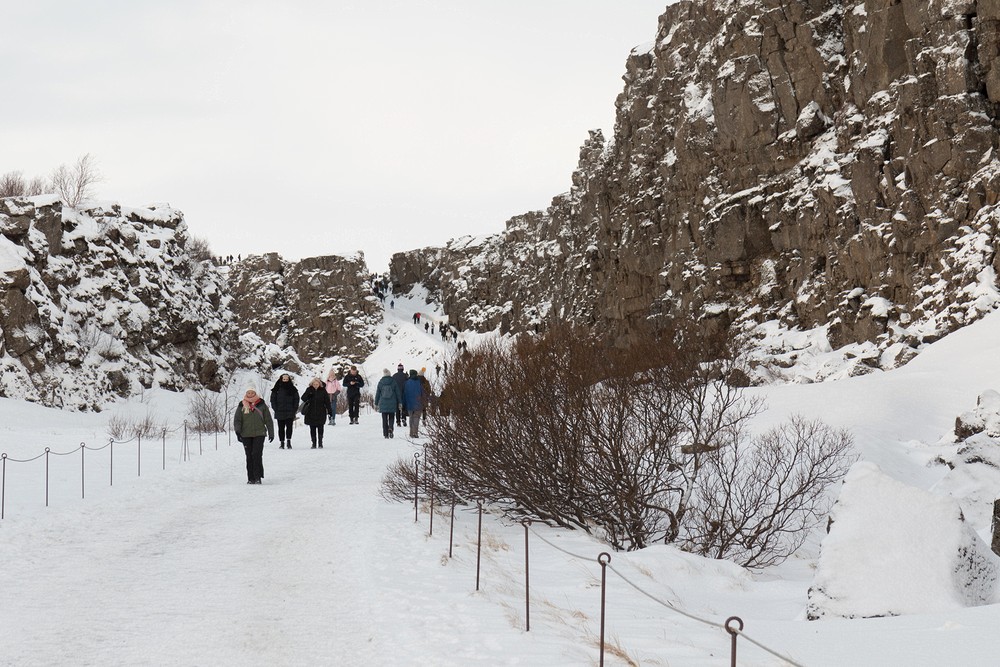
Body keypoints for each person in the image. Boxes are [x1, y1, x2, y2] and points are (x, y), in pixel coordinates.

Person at [234, 385, 274, 484]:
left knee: (257, 454)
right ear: (246, 393)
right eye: (248, 393)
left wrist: (271, 432)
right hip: (246, 434)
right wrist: (238, 432)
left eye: (252, 392)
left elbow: (268, 419)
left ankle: (257, 477)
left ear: (255, 393)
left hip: (259, 433)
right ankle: (250, 478)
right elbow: (237, 419)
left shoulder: (262, 404)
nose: (250, 394)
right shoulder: (241, 405)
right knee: (249, 456)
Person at [269, 373, 299, 449]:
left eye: (287, 379)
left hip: (290, 411)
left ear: (289, 380)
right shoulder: (277, 388)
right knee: (281, 428)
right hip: (279, 411)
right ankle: (282, 442)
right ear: (281, 379)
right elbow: (273, 399)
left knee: (289, 427)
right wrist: (275, 408)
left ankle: (289, 441)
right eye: (284, 379)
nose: (285, 381)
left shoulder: (293, 389)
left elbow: (296, 399)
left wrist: (294, 409)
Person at [300, 378, 331, 448]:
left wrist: (329, 410)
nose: (315, 386)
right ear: (312, 384)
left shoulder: (323, 390)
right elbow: (303, 398)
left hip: (321, 411)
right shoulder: (309, 390)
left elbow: (327, 401)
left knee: (320, 427)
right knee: (312, 428)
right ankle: (313, 443)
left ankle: (320, 442)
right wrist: (308, 396)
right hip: (310, 412)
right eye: (314, 384)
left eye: (317, 384)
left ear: (319, 384)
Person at [374, 369, 402, 439]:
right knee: (391, 417)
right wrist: (400, 402)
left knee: (384, 419)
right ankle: (390, 428)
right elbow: (398, 393)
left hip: (383, 402)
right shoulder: (393, 382)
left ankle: (386, 434)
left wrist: (376, 403)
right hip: (392, 402)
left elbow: (378, 393)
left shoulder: (381, 382)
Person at [403, 369, 425, 438]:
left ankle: (411, 432)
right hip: (418, 403)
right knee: (416, 418)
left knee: (411, 418)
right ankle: (415, 432)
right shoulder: (419, 383)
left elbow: (404, 394)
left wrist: (404, 403)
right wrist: (424, 402)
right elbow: (423, 393)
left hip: (409, 404)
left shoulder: (407, 383)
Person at [392, 363, 408, 427]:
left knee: (397, 408)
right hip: (404, 393)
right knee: (403, 407)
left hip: (396, 394)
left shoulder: (394, 376)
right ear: (403, 369)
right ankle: (403, 418)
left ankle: (398, 421)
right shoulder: (405, 376)